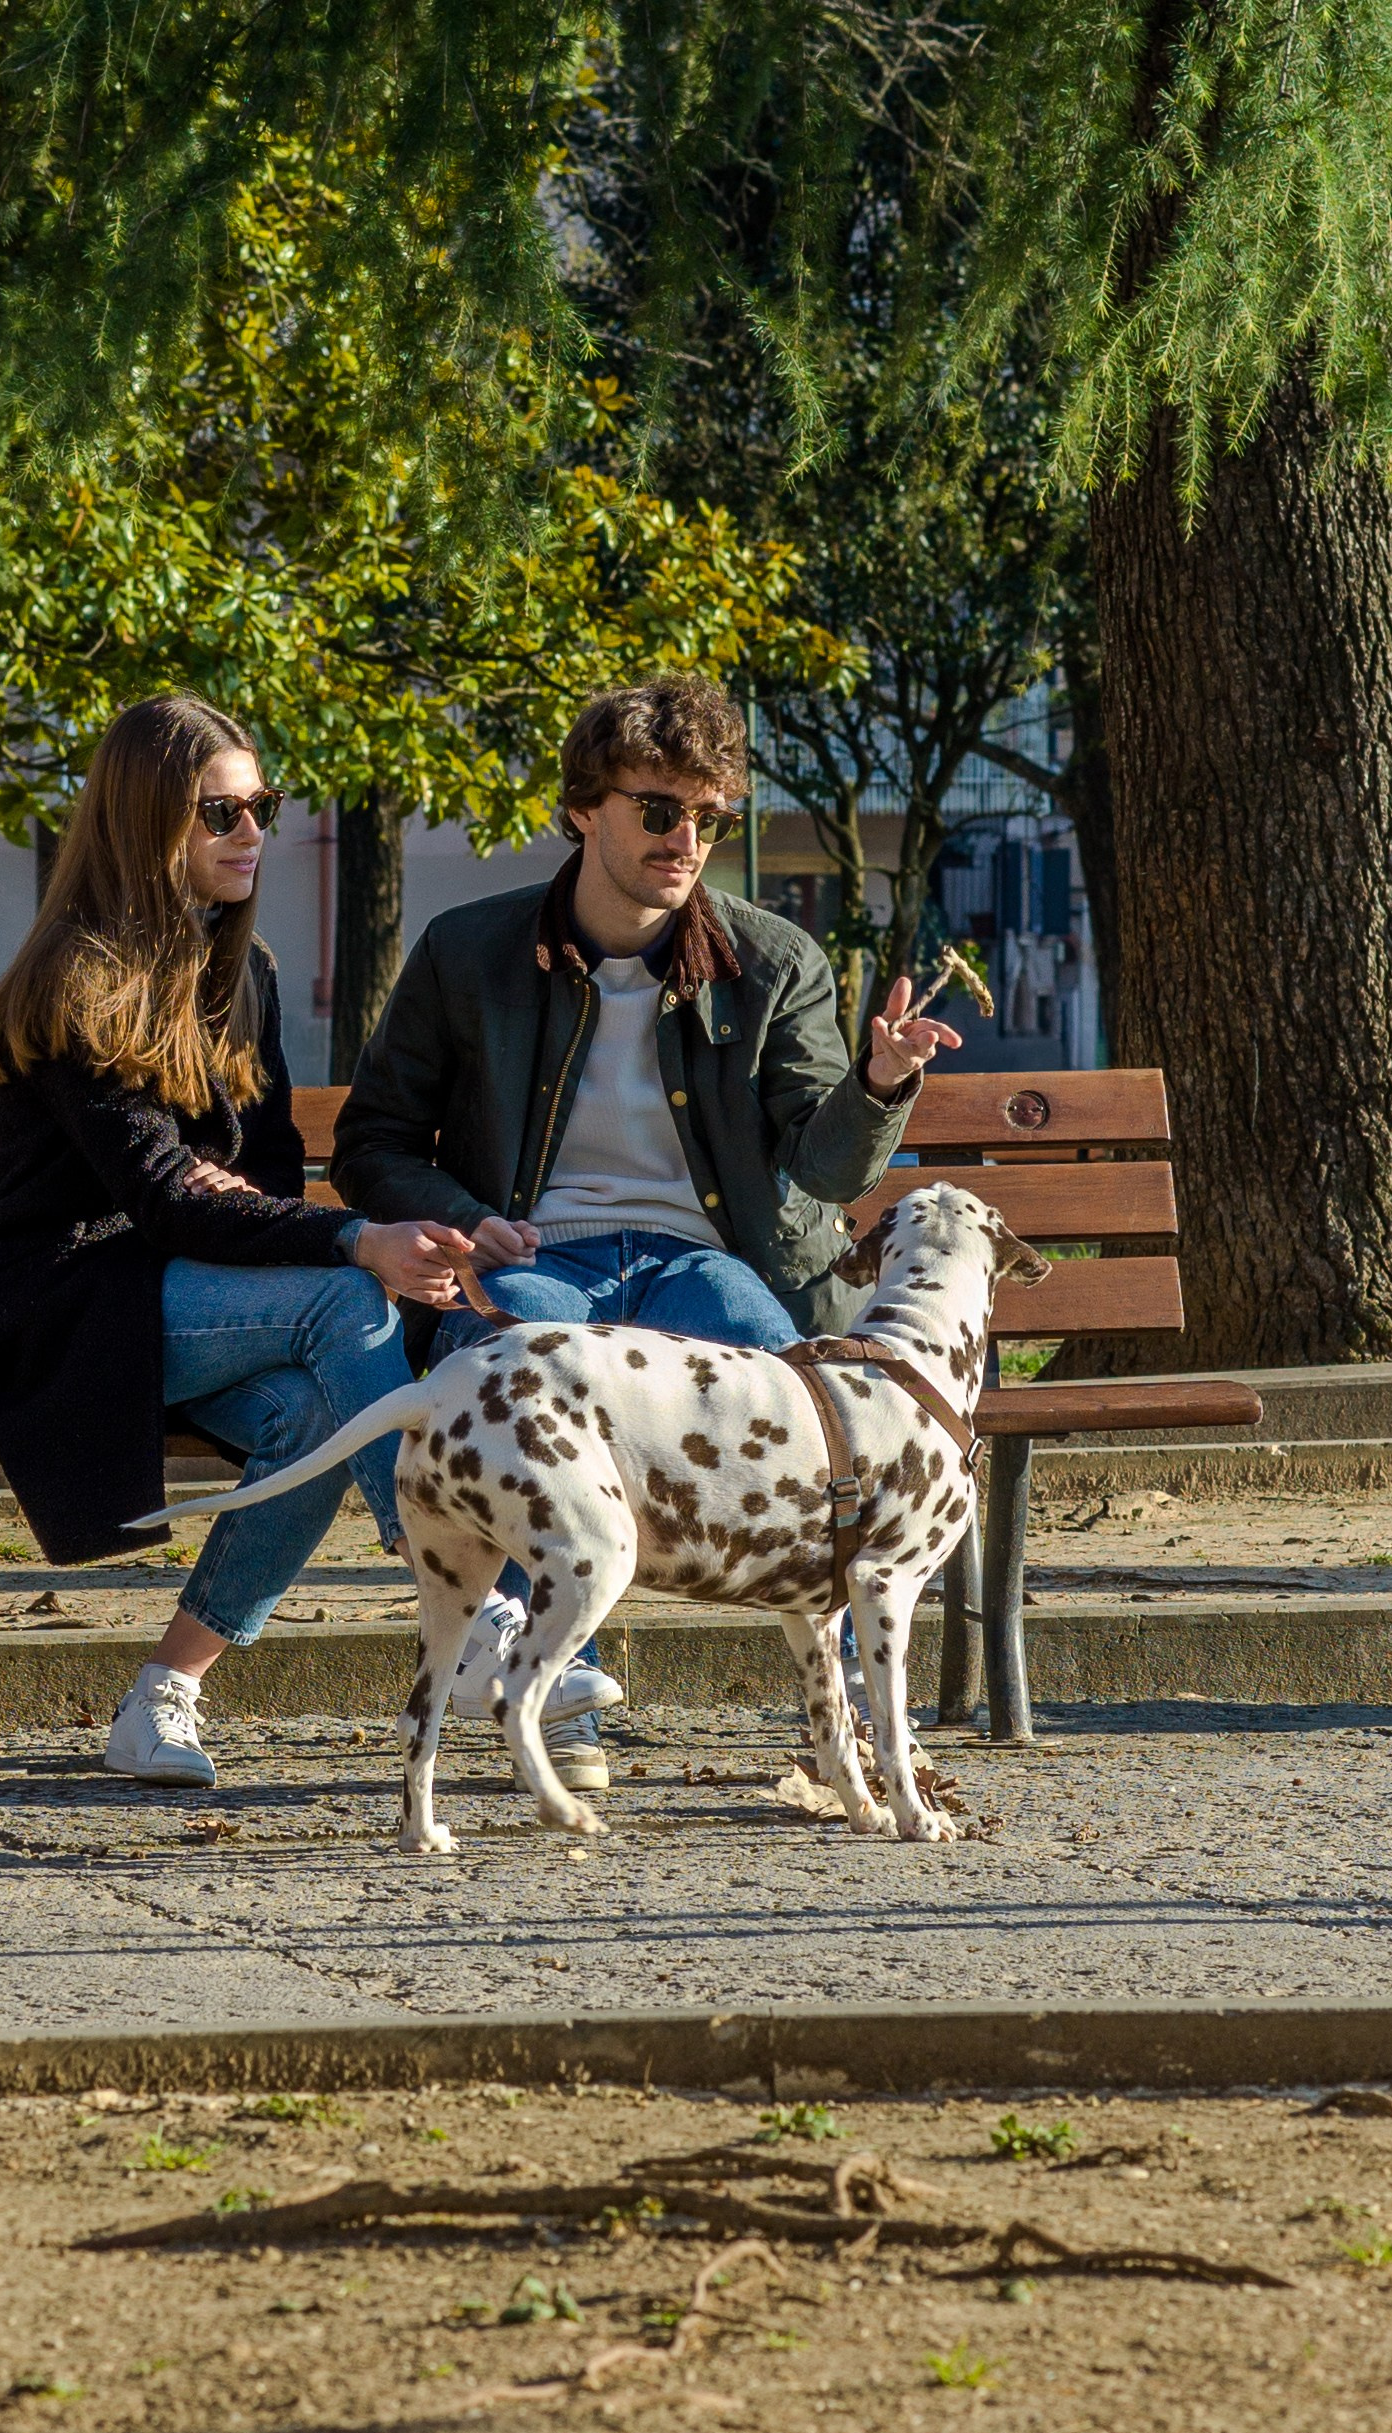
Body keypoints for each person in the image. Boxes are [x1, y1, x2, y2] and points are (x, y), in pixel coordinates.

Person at [0, 695, 612, 1792]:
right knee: (342, 1301)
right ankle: (472, 1609)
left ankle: (160, 1694)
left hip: (184, 1285)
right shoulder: (78, 979)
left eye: (263, 805)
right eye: (220, 812)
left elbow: (254, 1179)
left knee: (314, 1415)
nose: (251, 830)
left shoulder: (237, 972)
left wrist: (241, 1205)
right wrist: (349, 1235)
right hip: (71, 1299)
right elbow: (164, 1197)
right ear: (145, 818)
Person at [332, 674, 960, 1790]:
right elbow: (372, 1141)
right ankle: (546, 1689)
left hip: (700, 1263)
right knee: (515, 1372)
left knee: (781, 1384)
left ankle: (842, 1723)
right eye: (659, 811)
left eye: (709, 818)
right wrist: (468, 1220)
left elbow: (823, 1170)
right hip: (537, 1257)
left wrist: (876, 1083)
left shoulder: (772, 961)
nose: (686, 841)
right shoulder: (466, 952)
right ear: (584, 807)